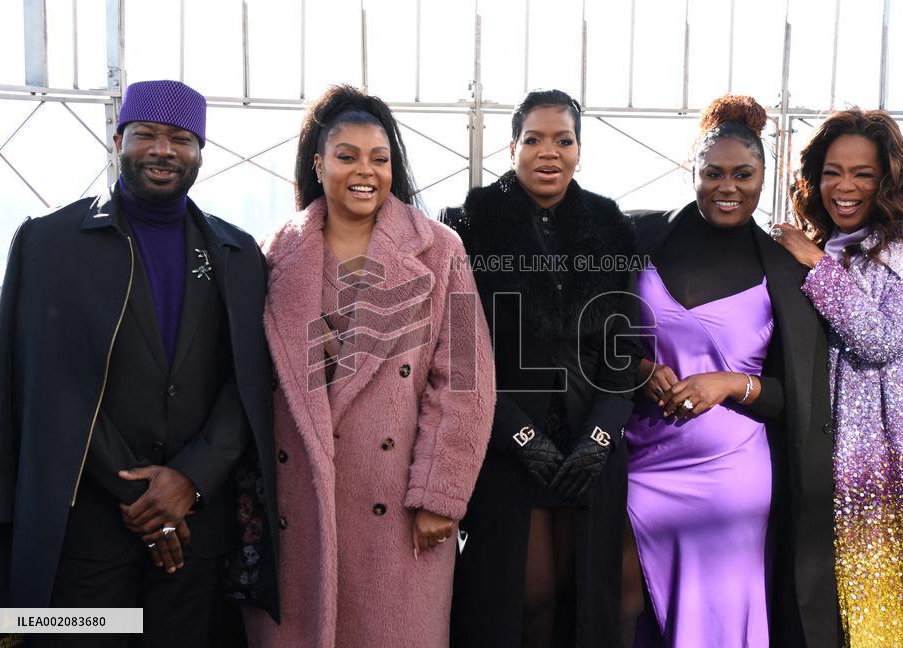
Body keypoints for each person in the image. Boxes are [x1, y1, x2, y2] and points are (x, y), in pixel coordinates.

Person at [0, 79, 279, 645]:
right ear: (118, 138)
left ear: (199, 152)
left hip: (194, 536)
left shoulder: (238, 254)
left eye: (181, 138)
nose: (163, 150)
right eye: (146, 134)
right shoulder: (50, 242)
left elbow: (248, 383)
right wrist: (141, 497)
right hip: (82, 535)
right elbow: (46, 384)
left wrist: (189, 480)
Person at [241, 84, 495, 648]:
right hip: (297, 505)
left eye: (379, 159)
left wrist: (438, 496)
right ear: (318, 162)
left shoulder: (439, 249)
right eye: (347, 156)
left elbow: (465, 382)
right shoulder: (272, 253)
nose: (366, 171)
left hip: (401, 512)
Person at [625, 95, 838, 647]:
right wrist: (641, 368)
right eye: (713, 172)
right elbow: (596, 337)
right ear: (690, 172)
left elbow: (801, 397)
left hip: (732, 477)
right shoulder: (636, 239)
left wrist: (729, 384)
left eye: (743, 174)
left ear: (764, 175)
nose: (728, 186)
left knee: (718, 625)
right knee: (626, 611)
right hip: (638, 461)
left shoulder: (787, 270)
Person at [444, 89, 642, 648]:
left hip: (592, 440)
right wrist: (521, 436)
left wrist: (600, 437)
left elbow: (623, 349)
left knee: (586, 600)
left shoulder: (611, 228)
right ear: (512, 148)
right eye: (534, 139)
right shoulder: (469, 227)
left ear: (579, 149)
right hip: (505, 442)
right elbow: (462, 352)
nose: (548, 152)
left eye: (563, 139)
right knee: (522, 599)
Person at [775, 107, 903, 647]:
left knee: (894, 602)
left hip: (894, 456)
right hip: (816, 448)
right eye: (832, 172)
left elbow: (882, 341)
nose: (845, 187)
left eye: (863, 173)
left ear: (886, 179)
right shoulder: (810, 245)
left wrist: (818, 268)